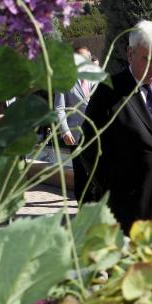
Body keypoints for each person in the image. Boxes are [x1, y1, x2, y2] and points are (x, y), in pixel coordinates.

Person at [84, 20, 152, 232]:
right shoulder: (108, 92)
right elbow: (90, 147)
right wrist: (115, 188)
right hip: (132, 210)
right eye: (146, 59)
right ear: (130, 53)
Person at [54, 45, 97, 202]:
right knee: (81, 173)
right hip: (75, 135)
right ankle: (82, 208)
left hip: (96, 134)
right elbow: (59, 108)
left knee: (96, 173)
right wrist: (65, 131)